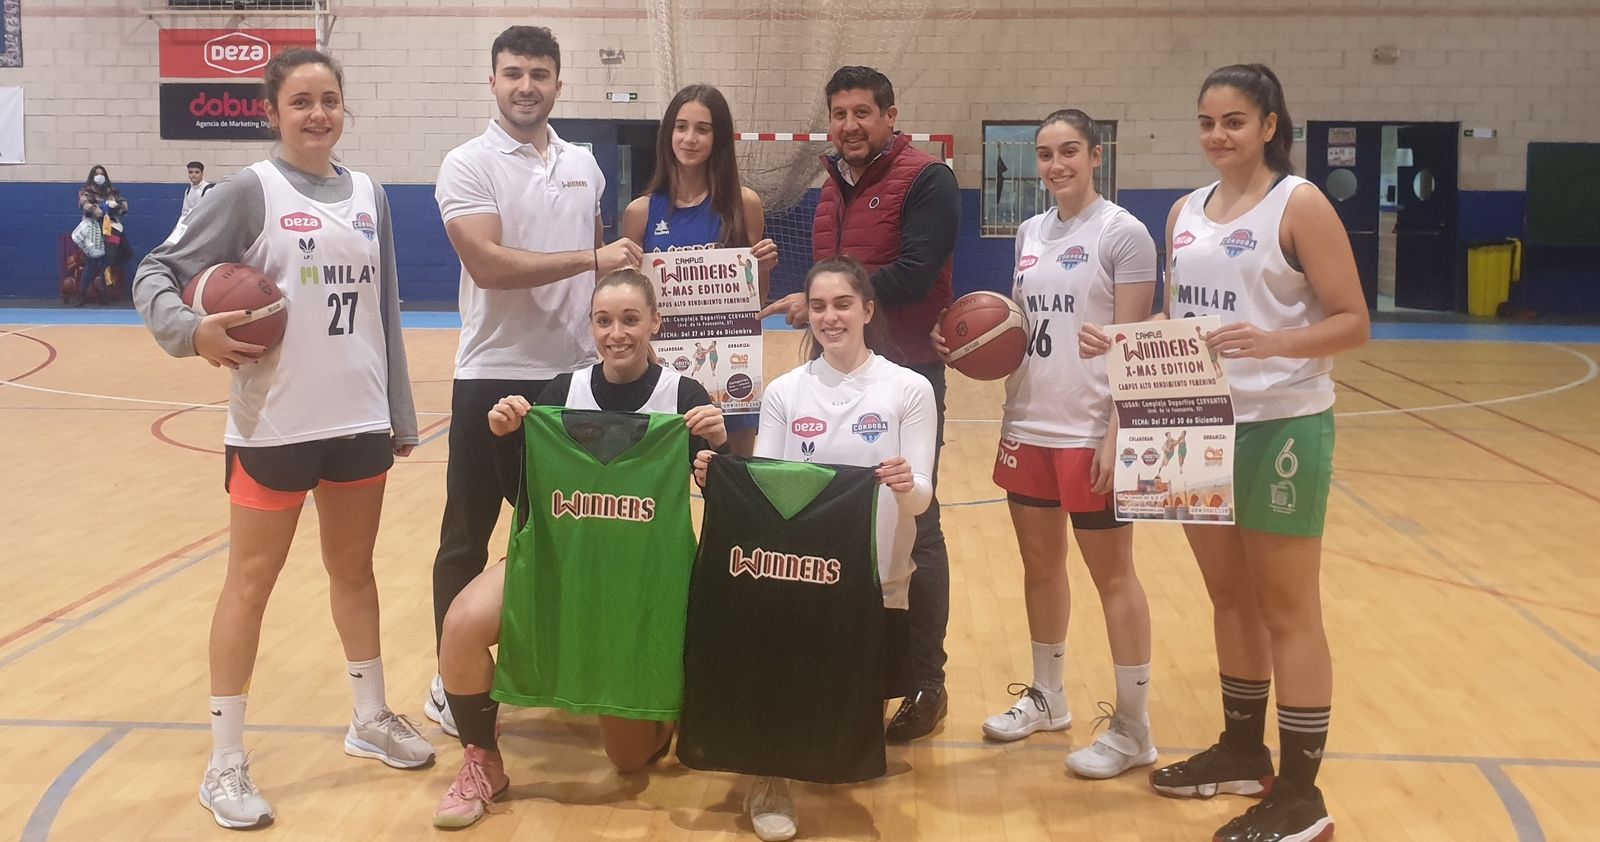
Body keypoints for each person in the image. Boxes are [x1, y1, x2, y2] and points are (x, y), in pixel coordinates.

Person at [132, 47, 434, 830]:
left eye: (329, 100)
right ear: (273, 112)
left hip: (357, 421)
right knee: (250, 584)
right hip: (275, 426)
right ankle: (224, 761)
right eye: (300, 101)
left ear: (344, 109)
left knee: (355, 573)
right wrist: (189, 332)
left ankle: (369, 718)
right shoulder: (248, 192)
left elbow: (384, 309)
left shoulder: (370, 193)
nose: (317, 114)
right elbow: (155, 271)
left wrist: (398, 413)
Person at [1081, 63, 1368, 842]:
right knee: (1229, 597)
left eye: (1234, 122)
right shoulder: (1183, 211)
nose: (1218, 136)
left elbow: (1353, 320)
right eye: (1207, 123)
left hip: (1282, 425)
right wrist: (1126, 345)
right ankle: (1243, 750)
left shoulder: (1298, 204)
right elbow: (1182, 318)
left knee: (1289, 608)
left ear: (1270, 125)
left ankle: (1302, 794)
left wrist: (1273, 341)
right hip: (1195, 421)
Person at [431, 268, 726, 829]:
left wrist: (717, 448)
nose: (617, 333)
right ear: (591, 327)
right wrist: (506, 439)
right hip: (560, 556)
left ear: (655, 324)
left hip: (641, 571)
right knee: (462, 622)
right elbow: (529, 491)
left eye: (631, 319)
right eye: (604, 320)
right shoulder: (564, 391)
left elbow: (717, 491)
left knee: (627, 759)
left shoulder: (681, 396)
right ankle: (483, 761)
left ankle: (669, 705)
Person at [425, 24, 643, 735]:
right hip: (491, 374)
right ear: (493, 82)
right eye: (513, 73)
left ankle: (551, 658)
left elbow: (612, 268)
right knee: (467, 532)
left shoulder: (587, 165)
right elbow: (488, 265)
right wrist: (592, 258)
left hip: (575, 380)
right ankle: (448, 678)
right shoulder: (466, 163)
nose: (526, 86)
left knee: (560, 532)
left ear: (558, 83)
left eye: (539, 74)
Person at [933, 109, 1160, 779]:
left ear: (1096, 155)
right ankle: (1048, 696)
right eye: (1046, 154)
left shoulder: (1125, 233)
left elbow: (1135, 343)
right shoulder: (1030, 232)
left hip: (1090, 426)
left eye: (1069, 152)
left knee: (1113, 575)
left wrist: (1119, 430)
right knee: (1040, 564)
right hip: (1028, 419)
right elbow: (1015, 321)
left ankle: (1134, 725)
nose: (1056, 164)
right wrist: (966, 343)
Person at [697, 255, 935, 841]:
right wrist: (720, 477)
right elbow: (773, 492)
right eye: (820, 306)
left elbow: (924, 500)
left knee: (849, 719)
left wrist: (908, 485)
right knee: (785, 676)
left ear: (868, 310)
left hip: (877, 572)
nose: (831, 317)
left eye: (843, 304)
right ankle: (770, 774)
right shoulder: (785, 391)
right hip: (801, 571)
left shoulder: (910, 388)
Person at [761, 65, 960, 742]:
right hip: (832, 376)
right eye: (839, 114)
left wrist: (828, 296)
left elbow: (915, 271)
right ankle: (837, 667)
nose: (849, 125)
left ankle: (927, 682)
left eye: (862, 114)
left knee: (916, 527)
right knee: (825, 522)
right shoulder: (829, 186)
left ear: (891, 116)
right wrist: (826, 312)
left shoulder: (928, 178)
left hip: (906, 374)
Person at [621, 83, 778, 457]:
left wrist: (763, 265)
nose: (689, 138)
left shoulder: (744, 204)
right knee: (658, 483)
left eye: (703, 129)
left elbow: (757, 299)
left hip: (732, 372)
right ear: (668, 134)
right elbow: (630, 300)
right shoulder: (640, 213)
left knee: (732, 487)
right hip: (661, 369)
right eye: (680, 126)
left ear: (718, 138)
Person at [75, 164, 130, 305]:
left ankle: (105, 295)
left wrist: (115, 207)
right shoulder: (85, 191)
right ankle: (81, 295)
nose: (99, 176)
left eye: (102, 173)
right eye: (97, 173)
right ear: (92, 176)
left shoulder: (112, 191)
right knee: (91, 262)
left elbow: (124, 205)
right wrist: (101, 209)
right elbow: (85, 205)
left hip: (111, 229)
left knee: (107, 263)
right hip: (93, 229)